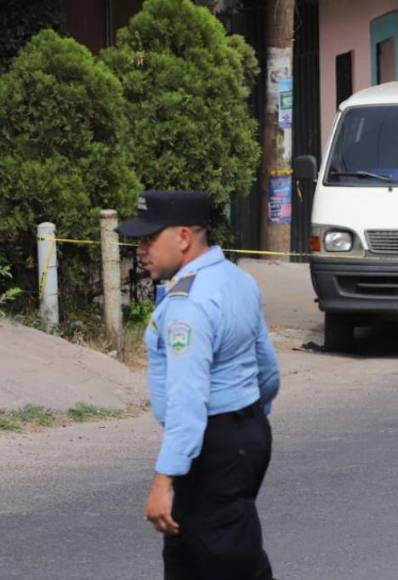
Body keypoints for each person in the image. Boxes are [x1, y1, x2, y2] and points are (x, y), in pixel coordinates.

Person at [117, 190, 280, 580]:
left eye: (149, 239)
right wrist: (249, 417)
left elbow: (187, 403)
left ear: (184, 237)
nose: (141, 250)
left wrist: (163, 481)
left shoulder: (187, 305)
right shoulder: (237, 279)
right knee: (188, 554)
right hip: (246, 431)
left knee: (228, 559)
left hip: (213, 444)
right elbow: (267, 369)